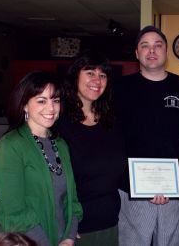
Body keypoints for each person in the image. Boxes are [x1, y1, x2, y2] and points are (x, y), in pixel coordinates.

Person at [116, 25, 179, 246]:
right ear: (137, 53)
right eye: (145, 46)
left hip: (177, 192)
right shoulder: (120, 89)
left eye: (158, 45)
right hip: (132, 192)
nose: (151, 51)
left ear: (165, 52)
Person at [0, 72, 83, 246]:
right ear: (25, 105)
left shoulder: (60, 144)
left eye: (55, 100)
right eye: (41, 101)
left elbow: (71, 201)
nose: (51, 108)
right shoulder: (11, 145)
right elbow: (14, 214)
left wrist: (69, 237)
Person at [56, 51, 126, 246]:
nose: (97, 80)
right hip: (74, 228)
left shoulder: (111, 120)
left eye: (102, 75)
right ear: (75, 75)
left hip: (109, 222)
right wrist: (64, 224)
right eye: (90, 72)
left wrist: (153, 187)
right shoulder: (57, 121)